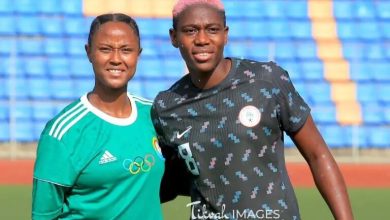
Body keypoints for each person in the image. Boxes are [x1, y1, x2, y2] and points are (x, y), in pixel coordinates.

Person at [151, 0, 354, 219]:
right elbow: (168, 183)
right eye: (190, 31)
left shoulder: (267, 80)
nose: (202, 39)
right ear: (174, 37)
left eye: (212, 30)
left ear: (225, 34)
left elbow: (318, 155)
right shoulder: (166, 107)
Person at [32, 13, 165, 219]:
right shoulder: (63, 133)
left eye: (126, 50)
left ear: (138, 54)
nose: (116, 59)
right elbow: (43, 215)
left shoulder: (154, 116)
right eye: (105, 49)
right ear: (89, 52)